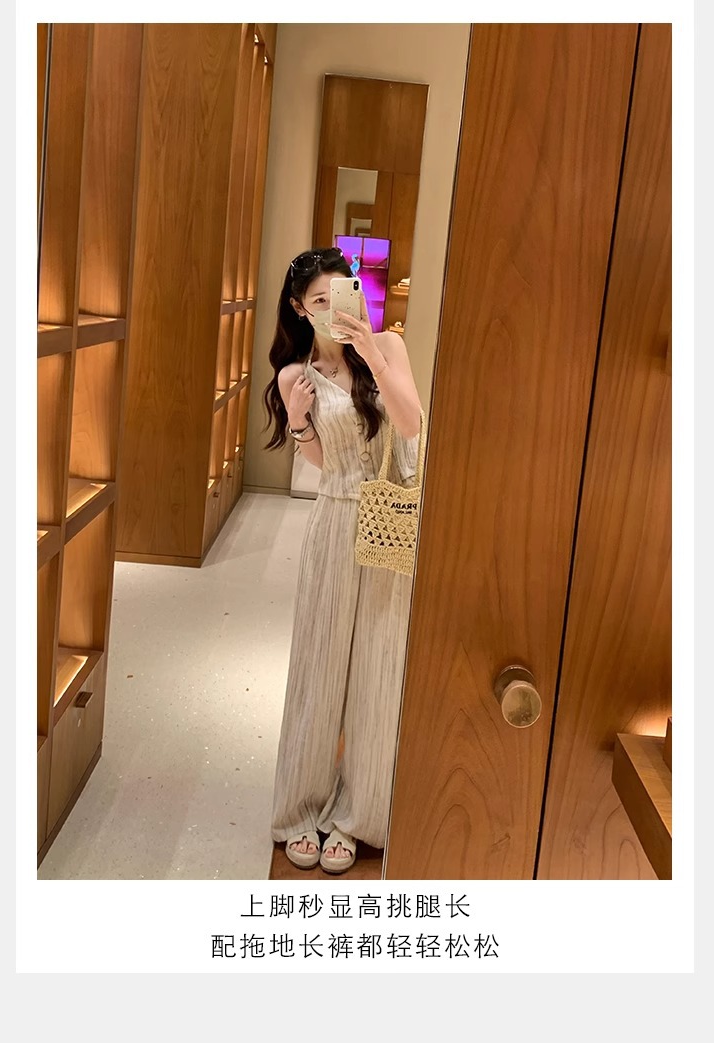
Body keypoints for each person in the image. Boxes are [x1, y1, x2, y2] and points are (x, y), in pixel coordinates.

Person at [261, 246, 423, 874]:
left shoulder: (390, 347)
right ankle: (301, 810)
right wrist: (299, 421)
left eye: (343, 294)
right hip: (333, 519)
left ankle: (357, 816)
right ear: (299, 309)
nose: (333, 310)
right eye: (319, 301)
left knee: (378, 670)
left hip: (388, 521)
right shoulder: (294, 376)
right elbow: (323, 463)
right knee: (319, 667)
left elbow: (410, 424)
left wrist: (372, 354)